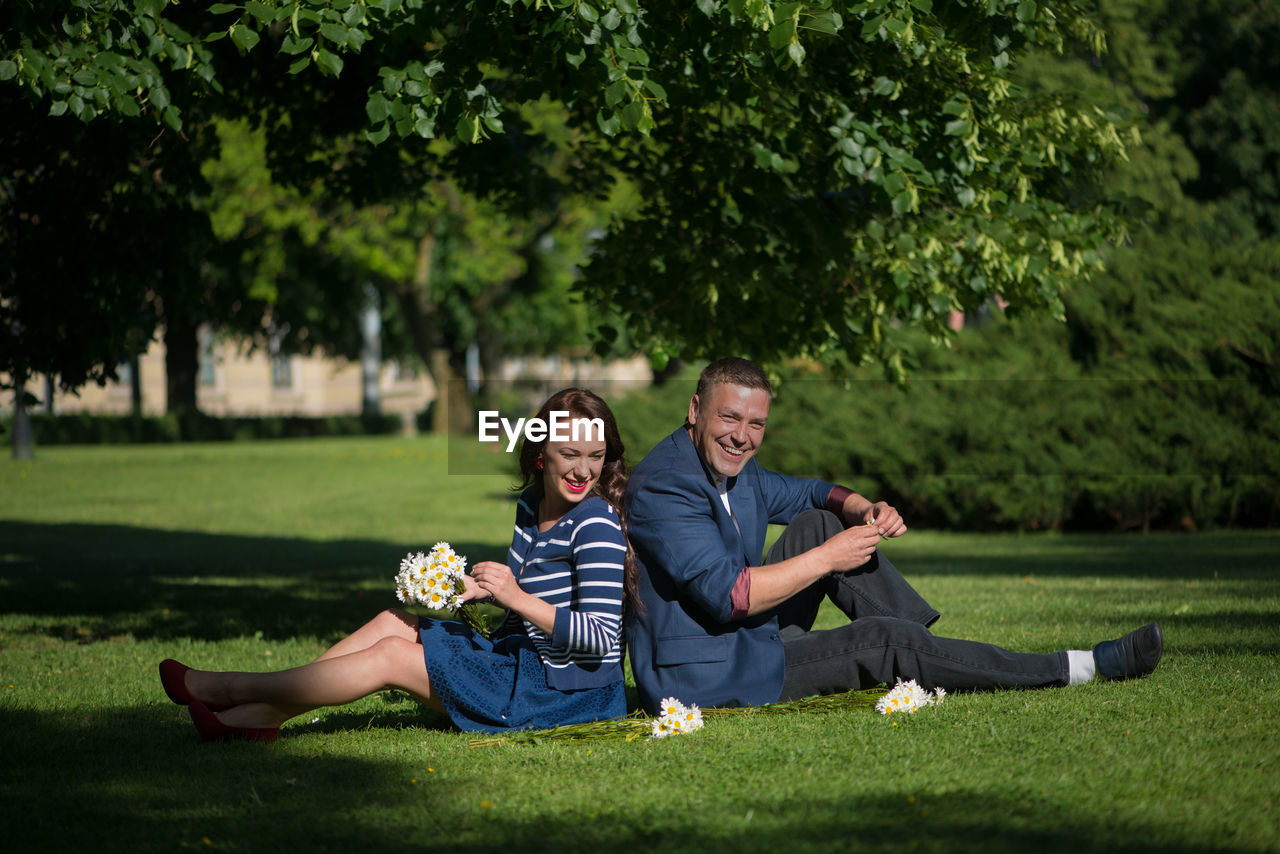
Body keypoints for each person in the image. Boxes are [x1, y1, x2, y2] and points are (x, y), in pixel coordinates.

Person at [624, 357, 1163, 712]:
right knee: (886, 640)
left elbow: (812, 493)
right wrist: (827, 558)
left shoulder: (731, 467)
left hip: (746, 640)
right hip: (708, 678)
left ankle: (936, 657)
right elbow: (731, 596)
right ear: (695, 410)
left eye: (756, 425)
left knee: (822, 523)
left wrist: (866, 508)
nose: (742, 437)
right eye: (729, 418)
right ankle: (1081, 665)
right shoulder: (663, 485)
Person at [160, 388, 638, 741]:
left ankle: (226, 689)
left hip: (561, 693)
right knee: (393, 622)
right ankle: (260, 718)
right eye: (569, 454)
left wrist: (515, 597)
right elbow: (537, 593)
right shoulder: (533, 506)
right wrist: (482, 589)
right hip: (516, 660)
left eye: (595, 456)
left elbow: (601, 639)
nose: (583, 471)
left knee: (390, 656)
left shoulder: (594, 524)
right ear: (539, 455)